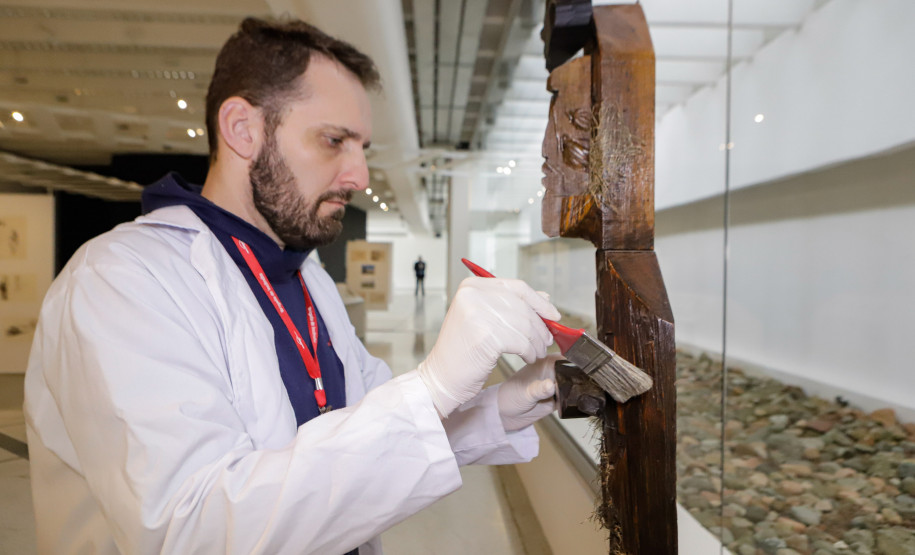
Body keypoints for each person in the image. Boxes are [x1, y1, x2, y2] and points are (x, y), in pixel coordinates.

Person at [24, 17, 563, 555]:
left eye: (363, 148)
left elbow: (362, 426)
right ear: (242, 129)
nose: (360, 176)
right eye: (334, 141)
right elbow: (190, 530)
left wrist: (496, 409)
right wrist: (433, 388)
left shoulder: (306, 276)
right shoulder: (122, 281)